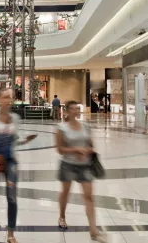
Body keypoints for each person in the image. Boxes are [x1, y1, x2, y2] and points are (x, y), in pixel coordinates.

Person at [0, 88, 37, 243]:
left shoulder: (15, 118)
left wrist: (25, 140)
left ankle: (11, 232)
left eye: (10, 97)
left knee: (11, 197)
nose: (8, 100)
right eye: (5, 97)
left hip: (10, 160)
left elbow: (14, 139)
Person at [56, 100, 106, 242]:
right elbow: (59, 149)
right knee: (65, 192)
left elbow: (91, 144)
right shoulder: (61, 128)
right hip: (67, 165)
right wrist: (76, 150)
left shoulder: (85, 126)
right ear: (67, 111)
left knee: (89, 196)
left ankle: (93, 230)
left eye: (77, 109)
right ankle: (62, 216)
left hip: (85, 165)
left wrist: (88, 150)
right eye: (73, 109)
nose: (76, 111)